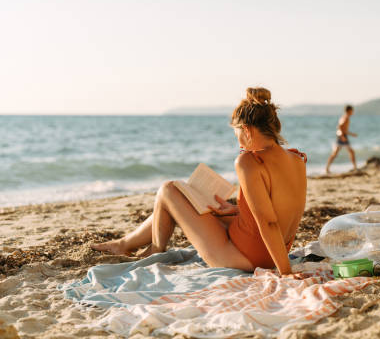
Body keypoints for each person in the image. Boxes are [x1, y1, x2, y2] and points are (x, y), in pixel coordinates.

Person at [92, 88, 307, 276]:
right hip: (272, 251)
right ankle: (124, 244)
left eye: (237, 133)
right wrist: (235, 210)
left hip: (246, 256)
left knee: (168, 190)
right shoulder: (297, 159)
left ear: (247, 131)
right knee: (193, 202)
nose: (237, 140)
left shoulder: (249, 161)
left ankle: (155, 250)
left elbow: (269, 222)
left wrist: (285, 272)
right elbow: (281, 211)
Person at [325, 105, 358, 173]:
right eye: (352, 111)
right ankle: (355, 168)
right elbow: (339, 127)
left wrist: (352, 134)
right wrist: (342, 136)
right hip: (342, 137)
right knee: (338, 153)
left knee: (338, 153)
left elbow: (344, 129)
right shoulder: (345, 118)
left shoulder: (345, 117)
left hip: (342, 136)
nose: (353, 112)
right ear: (349, 111)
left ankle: (327, 168)